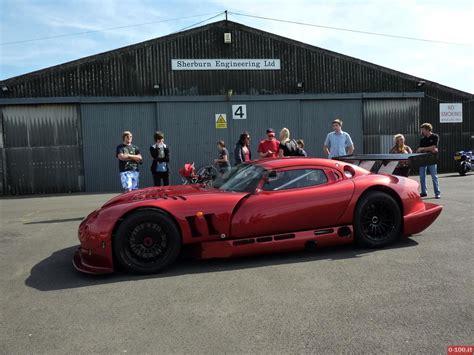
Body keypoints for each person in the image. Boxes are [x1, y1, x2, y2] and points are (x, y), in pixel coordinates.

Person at [417, 123, 440, 198]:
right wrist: (424, 149)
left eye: (423, 130)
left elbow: (434, 147)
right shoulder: (422, 139)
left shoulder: (435, 136)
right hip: (422, 159)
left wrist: (423, 149)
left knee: (434, 176)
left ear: (427, 129)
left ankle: (437, 193)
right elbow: (419, 149)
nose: (422, 131)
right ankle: (424, 192)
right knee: (422, 176)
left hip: (431, 159)